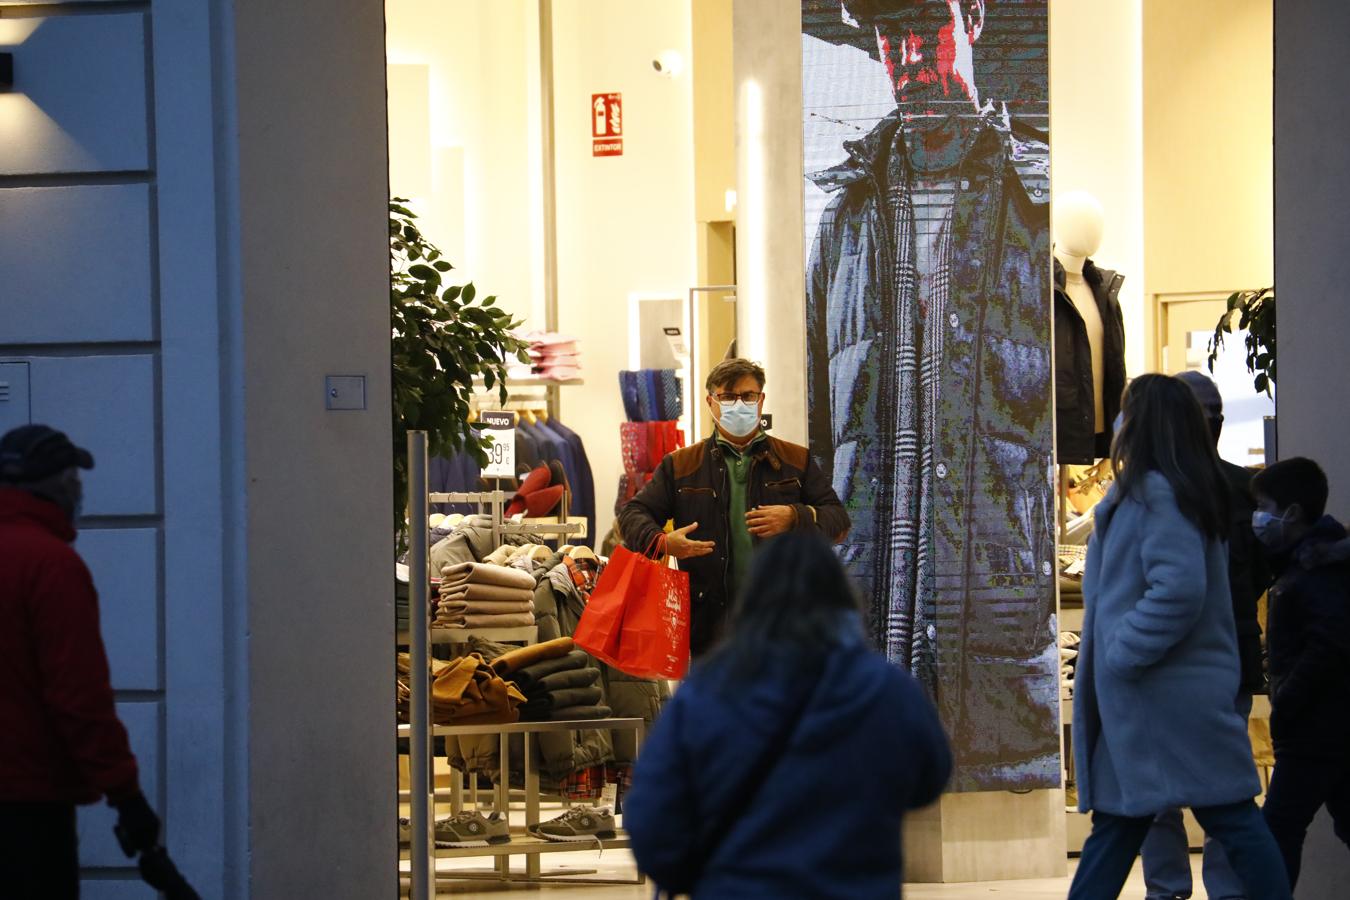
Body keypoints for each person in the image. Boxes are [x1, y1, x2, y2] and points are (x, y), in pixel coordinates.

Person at [805, 0, 1057, 789]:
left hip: (994, 587)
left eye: (928, 28)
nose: (909, 54)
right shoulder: (845, 213)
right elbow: (821, 408)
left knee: (994, 769)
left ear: (973, 17)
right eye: (890, 35)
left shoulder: (1032, 201)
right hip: (873, 576)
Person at [624, 532, 952, 897]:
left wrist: (695, 875)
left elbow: (651, 819)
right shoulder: (888, 691)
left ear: (753, 599)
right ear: (843, 599)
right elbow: (930, 780)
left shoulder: (705, 693)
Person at [1068, 375, 1290, 900]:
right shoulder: (1172, 489)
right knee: (1133, 821)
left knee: (1216, 816)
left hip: (1161, 696)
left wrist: (1122, 651)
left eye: (1126, 412)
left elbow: (1179, 589)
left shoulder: (1159, 494)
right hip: (1161, 698)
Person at [0, 424, 163, 897]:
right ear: (59, 485)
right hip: (27, 807)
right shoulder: (50, 565)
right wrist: (126, 797)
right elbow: (79, 698)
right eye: (75, 480)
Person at [1140, 370, 1273, 900]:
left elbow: (1256, 572)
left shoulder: (1236, 490)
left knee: (1211, 790)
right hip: (1193, 661)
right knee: (1174, 793)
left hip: (1214, 662)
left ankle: (1199, 890)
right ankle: (1178, 889)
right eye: (1205, 414)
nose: (1211, 424)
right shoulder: (1159, 490)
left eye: (1215, 414)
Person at [618, 358, 850, 656]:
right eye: (728, 397)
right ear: (711, 402)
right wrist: (662, 542)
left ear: (761, 399)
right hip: (709, 625)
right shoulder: (681, 465)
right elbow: (632, 514)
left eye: (748, 396)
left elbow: (839, 520)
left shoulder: (795, 461)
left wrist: (796, 516)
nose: (738, 404)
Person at [1250, 457, 1350, 889]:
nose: (1259, 517)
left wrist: (1287, 695)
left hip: (1314, 729)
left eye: (1264, 505)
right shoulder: (1306, 562)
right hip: (1324, 726)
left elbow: (1330, 642)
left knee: (1276, 831)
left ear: (1291, 512)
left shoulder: (1316, 568)